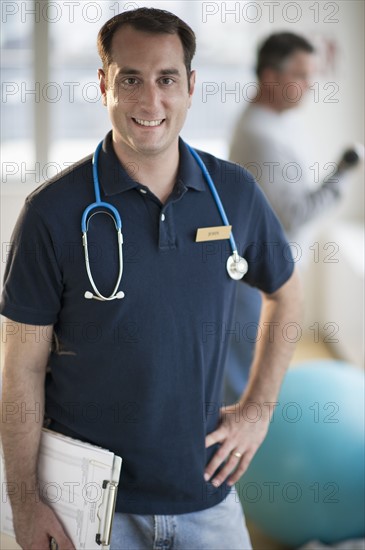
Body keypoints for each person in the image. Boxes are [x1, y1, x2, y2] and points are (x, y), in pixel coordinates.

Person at [0, 10, 303, 550]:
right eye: (130, 79)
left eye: (166, 79)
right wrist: (25, 502)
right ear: (103, 85)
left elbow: (287, 293)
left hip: (205, 491)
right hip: (91, 507)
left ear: (190, 86)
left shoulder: (233, 194)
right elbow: (20, 366)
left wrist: (257, 410)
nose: (150, 101)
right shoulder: (51, 213)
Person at [225, 32, 358, 405]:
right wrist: (343, 175)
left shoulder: (276, 121)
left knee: (259, 378)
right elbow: (293, 216)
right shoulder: (261, 135)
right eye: (301, 75)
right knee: (247, 385)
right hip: (261, 280)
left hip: (268, 272)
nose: (310, 85)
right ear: (270, 77)